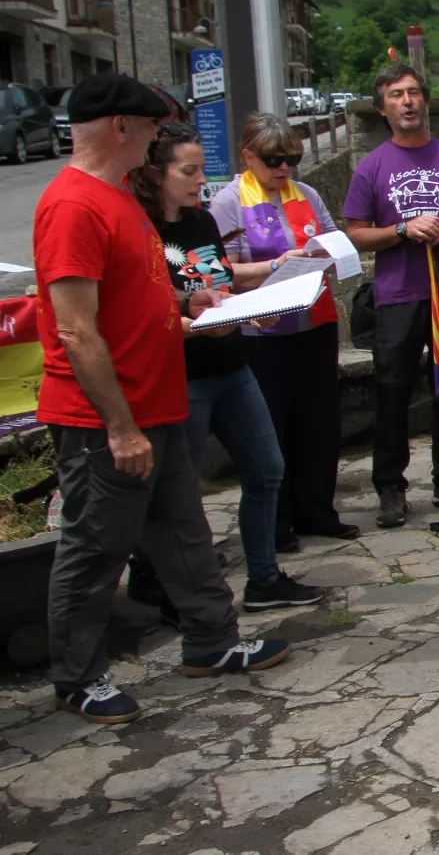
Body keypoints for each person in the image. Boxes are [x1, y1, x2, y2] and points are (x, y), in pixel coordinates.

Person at [33, 74, 291, 724]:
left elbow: (136, 294)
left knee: (184, 533)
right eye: (150, 127)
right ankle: (78, 677)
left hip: (159, 406)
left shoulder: (117, 198)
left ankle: (212, 641)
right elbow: (75, 328)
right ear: (122, 127)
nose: (156, 139)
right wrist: (119, 428)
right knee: (96, 548)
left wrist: (189, 300)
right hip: (109, 420)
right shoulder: (73, 206)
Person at [129, 122, 324, 611]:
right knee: (179, 490)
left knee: (267, 469)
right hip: (181, 373)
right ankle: (170, 588)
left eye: (201, 169)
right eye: (190, 171)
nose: (202, 180)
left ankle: (263, 579)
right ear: (156, 174)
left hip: (232, 365)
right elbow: (145, 306)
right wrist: (198, 322)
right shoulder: (140, 230)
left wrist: (253, 303)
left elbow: (215, 285)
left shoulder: (201, 222)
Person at [344, 65, 439, 529]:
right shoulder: (371, 166)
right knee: (391, 391)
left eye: (413, 93)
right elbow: (357, 234)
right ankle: (391, 487)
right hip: (397, 293)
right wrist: (403, 229)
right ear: (383, 107)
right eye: (396, 95)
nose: (407, 101)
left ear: (424, 102)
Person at [210, 113, 356, 549]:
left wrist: (328, 252)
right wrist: (274, 264)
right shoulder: (228, 202)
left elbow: (333, 238)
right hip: (262, 331)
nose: (283, 168)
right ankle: (277, 523)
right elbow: (220, 272)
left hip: (313, 321)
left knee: (319, 421)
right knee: (272, 426)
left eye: (291, 158)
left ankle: (317, 510)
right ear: (248, 156)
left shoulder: (306, 194)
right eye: (273, 159)